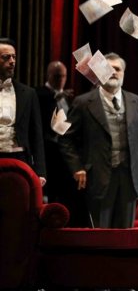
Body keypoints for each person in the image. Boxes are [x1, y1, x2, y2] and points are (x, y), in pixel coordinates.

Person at [60, 52, 138, 228]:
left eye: (117, 69)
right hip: (97, 178)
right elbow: (65, 139)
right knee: (99, 235)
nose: (113, 72)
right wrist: (77, 167)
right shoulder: (83, 102)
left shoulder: (136, 101)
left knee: (126, 235)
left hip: (130, 179)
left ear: (124, 73)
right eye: (108, 68)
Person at [36, 61, 88, 226]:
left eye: (63, 76)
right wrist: (56, 97)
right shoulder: (39, 94)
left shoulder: (70, 97)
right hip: (49, 151)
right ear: (48, 75)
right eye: (57, 76)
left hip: (67, 152)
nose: (61, 80)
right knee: (52, 192)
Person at [0, 37, 46, 184]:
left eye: (14, 57)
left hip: (19, 159)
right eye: (6, 57)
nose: (12, 61)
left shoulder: (28, 93)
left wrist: (40, 172)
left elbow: (36, 135)